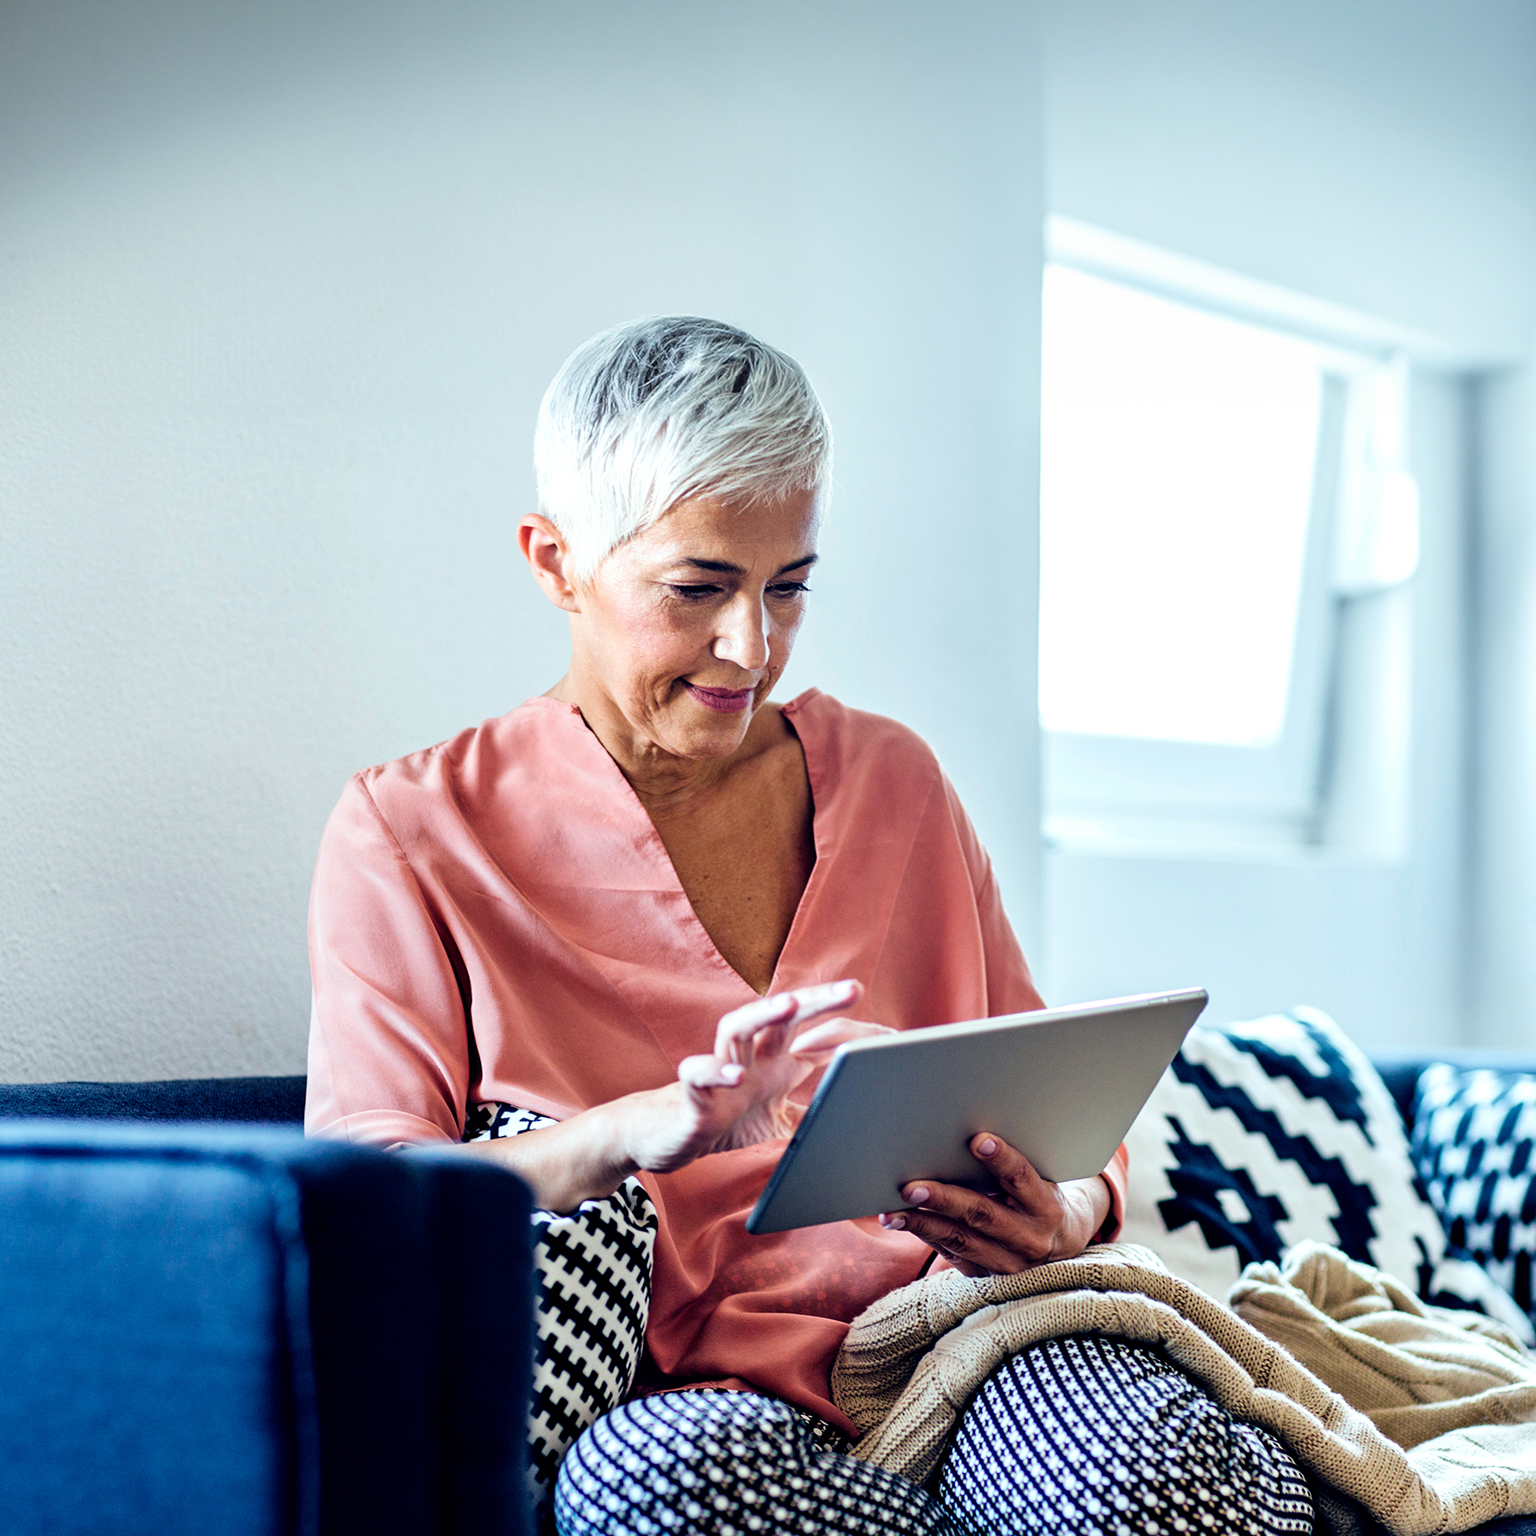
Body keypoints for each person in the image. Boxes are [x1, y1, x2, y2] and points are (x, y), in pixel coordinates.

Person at [306, 317, 1314, 1536]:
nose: (753, 649)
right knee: (652, 1489)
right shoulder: (414, 832)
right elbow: (361, 1200)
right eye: (698, 590)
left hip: (970, 1328)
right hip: (710, 1400)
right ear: (555, 560)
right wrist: (641, 1128)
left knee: (1146, 1479)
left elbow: (1070, 1118)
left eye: (789, 588)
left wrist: (1071, 1209)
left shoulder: (896, 779)